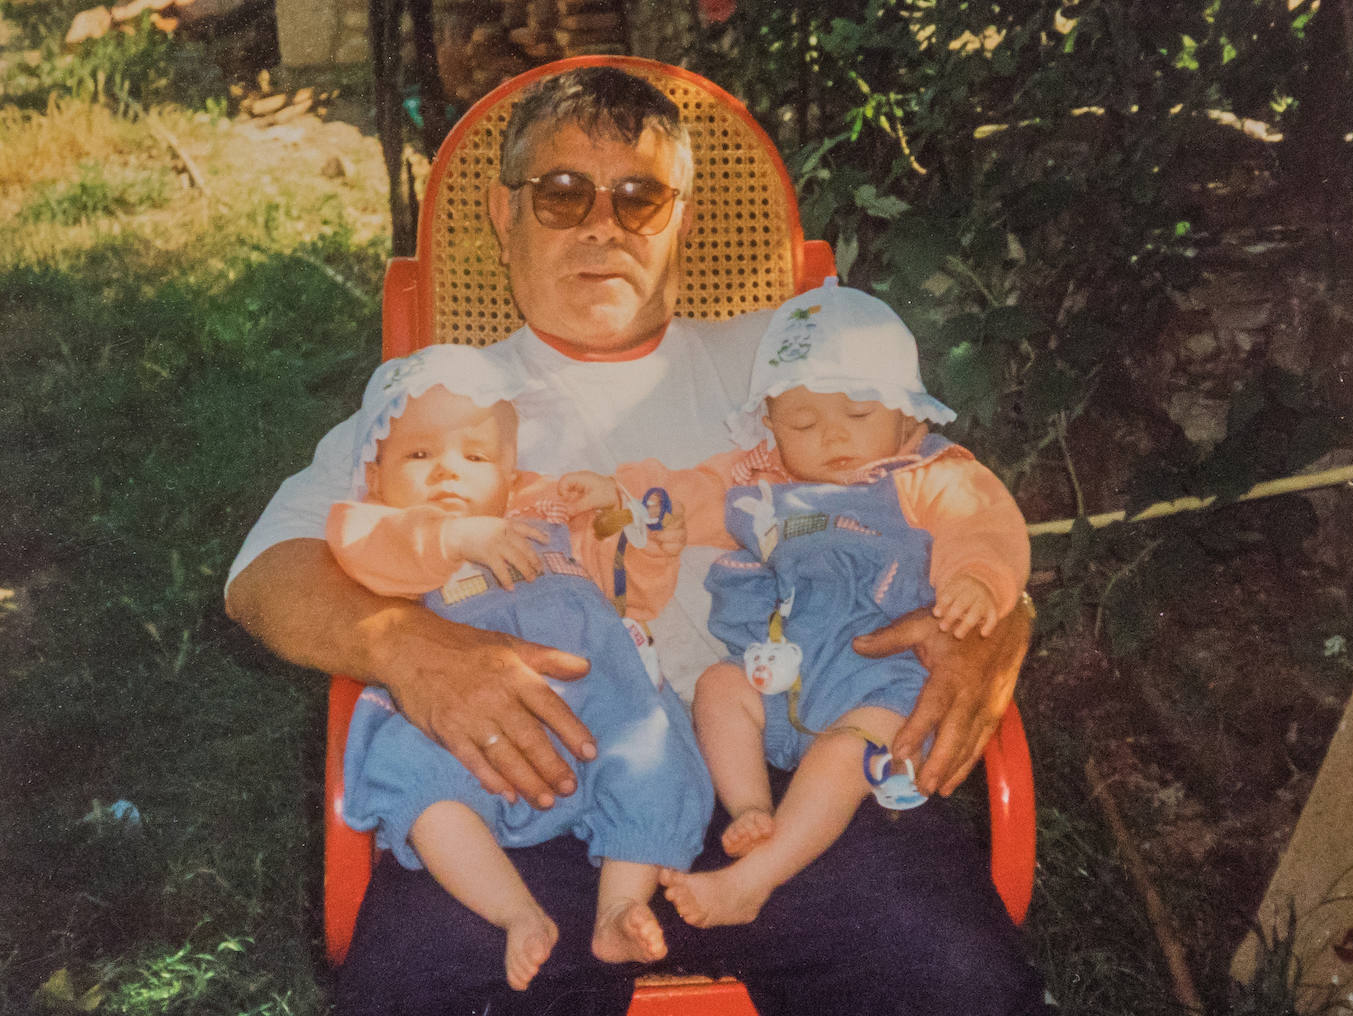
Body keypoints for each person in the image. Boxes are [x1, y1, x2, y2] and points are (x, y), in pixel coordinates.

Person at [225, 65, 1046, 1014]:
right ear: (503, 213)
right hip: (535, 779)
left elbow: (947, 493)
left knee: (955, 982)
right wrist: (413, 649)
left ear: (681, 218)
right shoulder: (441, 393)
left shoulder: (779, 358)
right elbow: (265, 574)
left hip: (784, 777)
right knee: (424, 991)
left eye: (639, 197)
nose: (601, 227)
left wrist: (1000, 622)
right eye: (564, 193)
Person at [625, 279, 1031, 928]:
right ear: (772, 428)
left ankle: (755, 878)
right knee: (718, 684)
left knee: (844, 757)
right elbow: (694, 493)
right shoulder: (763, 485)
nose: (832, 437)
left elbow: (983, 524)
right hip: (775, 680)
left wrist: (978, 580)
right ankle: (752, 807)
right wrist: (657, 511)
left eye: (859, 416)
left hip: (878, 686)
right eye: (804, 423)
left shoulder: (926, 475)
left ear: (909, 418)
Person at [325, 344, 712, 990]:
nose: (447, 472)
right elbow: (363, 551)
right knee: (415, 779)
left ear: (511, 477)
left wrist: (645, 546)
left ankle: (620, 905)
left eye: (474, 457)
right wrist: (455, 537)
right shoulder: (381, 528)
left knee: (659, 759)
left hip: (598, 703)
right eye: (420, 456)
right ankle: (516, 913)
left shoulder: (547, 521)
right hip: (465, 732)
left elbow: (628, 597)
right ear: (376, 476)